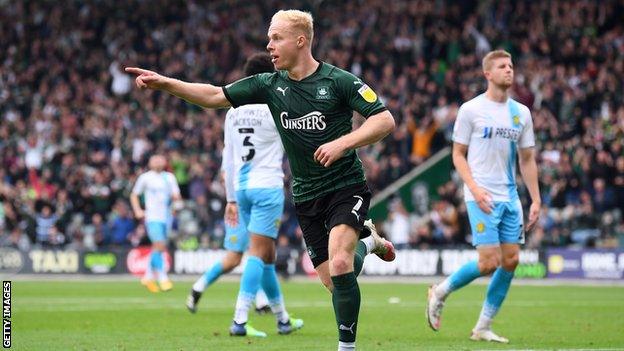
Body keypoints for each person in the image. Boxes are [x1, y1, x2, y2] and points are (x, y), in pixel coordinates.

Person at [126, 9, 396, 351]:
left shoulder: (338, 81)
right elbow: (212, 96)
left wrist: (344, 142)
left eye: (276, 38)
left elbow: (384, 120)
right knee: (334, 280)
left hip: (345, 186)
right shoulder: (269, 85)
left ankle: (346, 347)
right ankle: (369, 242)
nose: (269, 45)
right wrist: (164, 82)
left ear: (300, 41)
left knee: (341, 265)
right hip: (306, 195)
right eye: (269, 38)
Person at [426, 50, 541, 343]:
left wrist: (536, 199)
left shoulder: (521, 113)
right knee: (489, 261)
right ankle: (439, 291)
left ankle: (482, 327)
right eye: (502, 66)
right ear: (488, 73)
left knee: (511, 260)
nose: (509, 70)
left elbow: (527, 159)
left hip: (511, 197)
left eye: (512, 66)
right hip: (481, 195)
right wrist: (475, 189)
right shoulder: (471, 110)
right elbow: (458, 154)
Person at [185, 53, 303, 337]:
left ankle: (282, 319)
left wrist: (231, 198)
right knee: (257, 254)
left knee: (268, 256)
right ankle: (239, 320)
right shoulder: (277, 108)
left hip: (243, 189)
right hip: (267, 188)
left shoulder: (233, 111)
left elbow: (228, 158)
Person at [130, 154, 182, 292]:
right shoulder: (146, 177)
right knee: (159, 244)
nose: (158, 161)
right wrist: (137, 210)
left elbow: (176, 195)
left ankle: (147, 276)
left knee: (159, 247)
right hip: (152, 217)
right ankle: (163, 278)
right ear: (150, 162)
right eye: (155, 159)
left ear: (165, 162)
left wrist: (177, 203)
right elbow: (134, 194)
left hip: (167, 217)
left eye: (160, 159)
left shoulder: (169, 177)